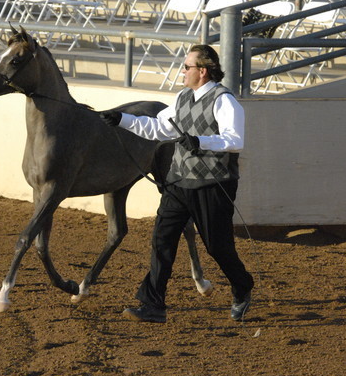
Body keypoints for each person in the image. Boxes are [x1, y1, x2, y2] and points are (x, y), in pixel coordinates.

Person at [99, 45, 254, 323]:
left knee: (217, 247)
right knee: (162, 240)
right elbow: (158, 128)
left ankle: (242, 286)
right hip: (179, 181)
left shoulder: (224, 101)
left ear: (203, 71)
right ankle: (153, 304)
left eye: (187, 67)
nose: (183, 72)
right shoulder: (183, 98)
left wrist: (200, 141)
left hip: (212, 184)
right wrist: (121, 119)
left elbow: (235, 140)